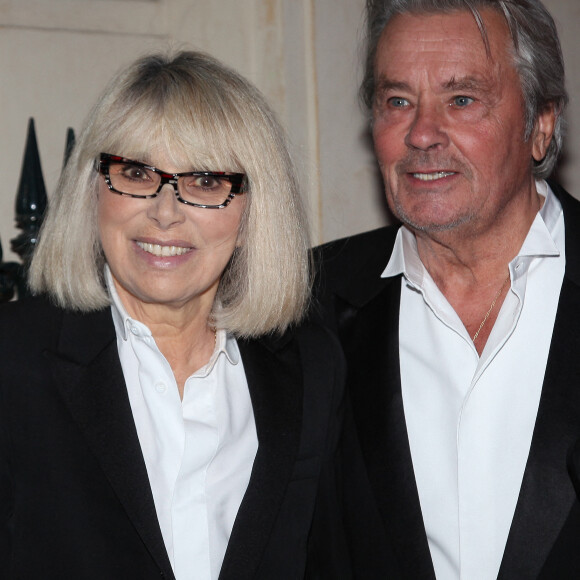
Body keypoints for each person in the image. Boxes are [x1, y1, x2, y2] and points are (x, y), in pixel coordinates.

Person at [0, 50, 344, 579]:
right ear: (93, 188)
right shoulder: (12, 363)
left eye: (206, 181)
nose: (165, 212)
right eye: (136, 172)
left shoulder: (309, 369)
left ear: (255, 207)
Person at [315, 0, 580, 578]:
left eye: (461, 99)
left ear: (541, 124)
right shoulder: (306, 306)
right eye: (397, 101)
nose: (421, 133)